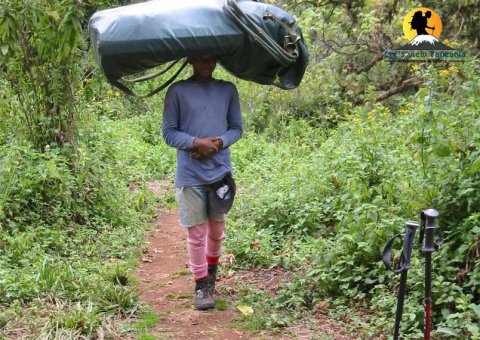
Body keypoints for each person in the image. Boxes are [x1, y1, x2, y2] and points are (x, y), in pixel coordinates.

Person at [162, 55, 243, 310]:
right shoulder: (177, 91)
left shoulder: (227, 90)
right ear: (190, 60)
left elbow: (237, 128)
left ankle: (212, 273)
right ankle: (201, 285)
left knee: (217, 230)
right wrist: (196, 143)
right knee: (196, 233)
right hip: (190, 173)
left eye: (211, 59)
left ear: (217, 61)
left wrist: (217, 143)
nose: (206, 64)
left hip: (219, 171)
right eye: (200, 59)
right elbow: (169, 132)